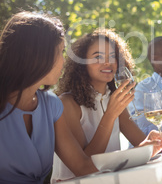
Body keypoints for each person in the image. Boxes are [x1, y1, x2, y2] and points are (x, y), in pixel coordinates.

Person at [51, 28, 162, 183]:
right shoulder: (67, 103)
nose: (107, 62)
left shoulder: (111, 98)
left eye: (112, 56)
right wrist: (110, 115)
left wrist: (149, 145)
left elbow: (140, 142)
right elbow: (85, 166)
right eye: (98, 56)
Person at [0, 12, 97, 183]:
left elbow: (82, 166)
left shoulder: (51, 105)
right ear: (38, 55)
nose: (64, 61)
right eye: (60, 52)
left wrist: (136, 159)